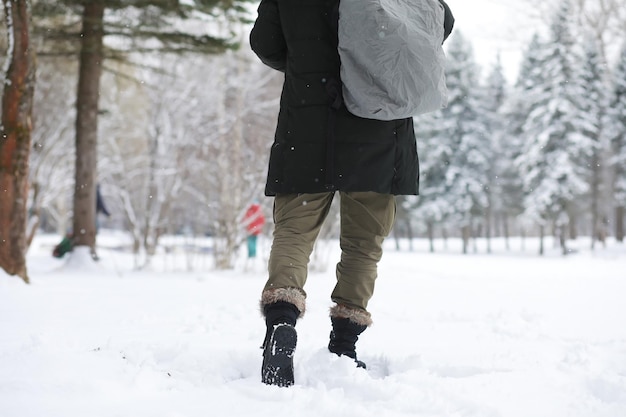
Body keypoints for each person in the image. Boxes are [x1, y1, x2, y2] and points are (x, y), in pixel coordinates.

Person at [250, 0, 455, 387]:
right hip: (377, 127)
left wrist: (309, 64)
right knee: (363, 244)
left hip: (308, 125)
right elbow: (438, 23)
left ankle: (281, 323)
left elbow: (265, 44)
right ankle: (344, 345)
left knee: (294, 233)